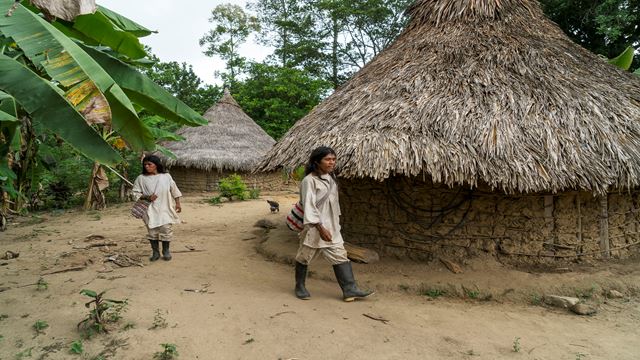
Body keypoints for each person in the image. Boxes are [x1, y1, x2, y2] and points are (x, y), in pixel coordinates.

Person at [294, 146, 374, 302]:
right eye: (328, 159)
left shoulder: (331, 179)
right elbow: (309, 206)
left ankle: (350, 290)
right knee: (304, 256)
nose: (332, 162)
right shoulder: (309, 181)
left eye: (333, 159)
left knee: (340, 255)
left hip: (332, 226)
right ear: (317, 162)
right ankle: (300, 286)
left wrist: (333, 226)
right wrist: (320, 228)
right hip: (315, 227)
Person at [132, 155, 182, 261]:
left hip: (165, 207)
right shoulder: (141, 178)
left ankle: (166, 251)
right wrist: (147, 196)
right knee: (152, 231)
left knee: (166, 229)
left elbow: (174, 189)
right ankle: (155, 252)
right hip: (149, 209)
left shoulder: (166, 176)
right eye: (145, 164)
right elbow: (135, 193)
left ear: (156, 165)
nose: (147, 166)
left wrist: (178, 203)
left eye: (149, 164)